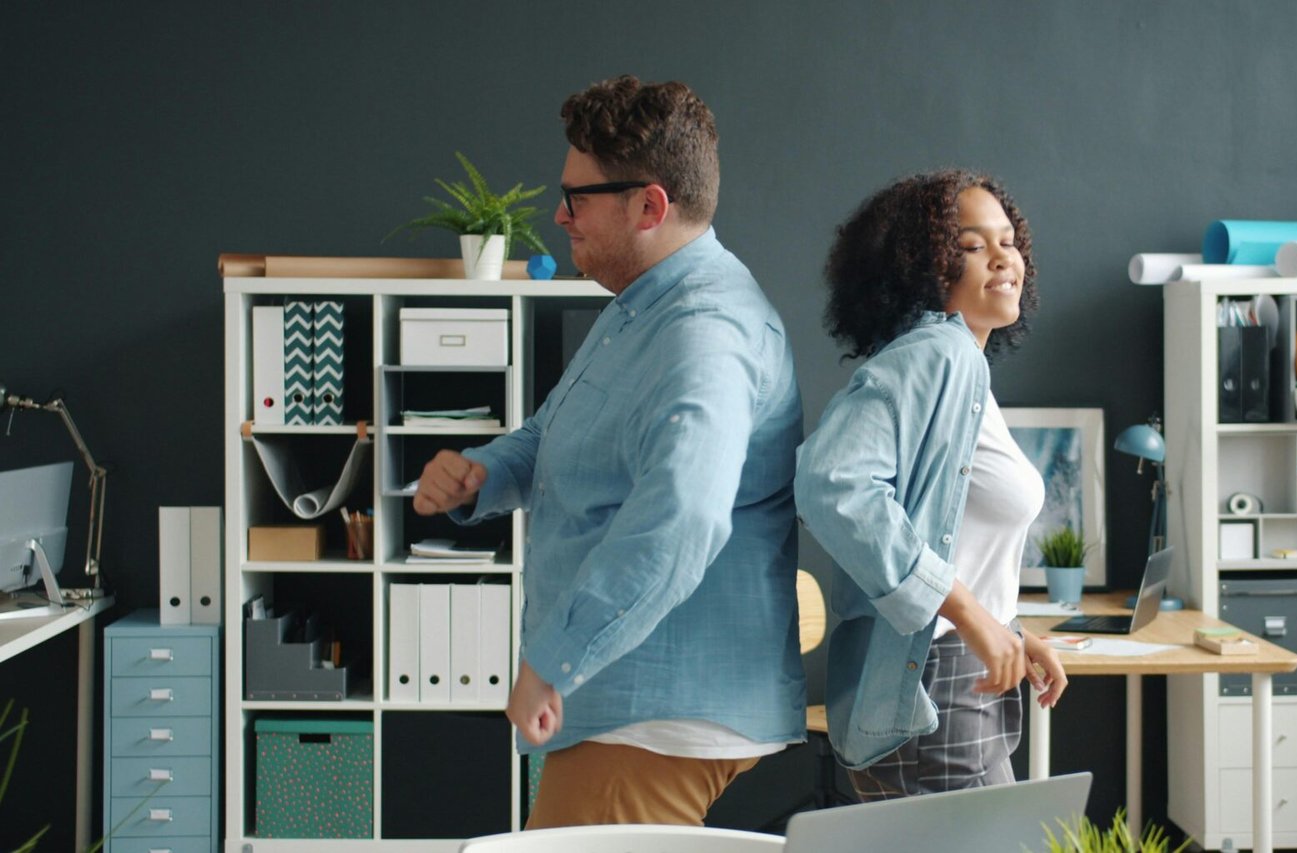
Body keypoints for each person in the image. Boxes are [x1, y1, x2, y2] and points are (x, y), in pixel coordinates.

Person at [412, 75, 806, 828]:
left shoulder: (705, 334)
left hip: (655, 715)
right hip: (629, 706)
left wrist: (554, 660)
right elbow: (553, 431)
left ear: (650, 205)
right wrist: (482, 474)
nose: (559, 215)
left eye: (577, 197)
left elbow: (682, 516)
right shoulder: (640, 308)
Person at [795, 170, 1069, 800]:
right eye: (972, 246)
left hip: (952, 680)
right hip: (936, 689)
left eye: (1008, 240)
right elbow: (831, 483)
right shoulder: (936, 356)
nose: (1003, 258)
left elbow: (947, 531)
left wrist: (1009, 631)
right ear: (924, 267)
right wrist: (972, 617)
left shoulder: (964, 369)